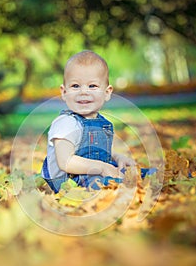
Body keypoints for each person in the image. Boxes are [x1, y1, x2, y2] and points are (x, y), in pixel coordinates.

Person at [41, 50, 140, 193]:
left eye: (92, 86)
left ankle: (167, 177)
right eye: (75, 86)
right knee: (111, 184)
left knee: (135, 174)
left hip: (95, 172)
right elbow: (65, 162)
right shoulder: (66, 123)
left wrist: (117, 157)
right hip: (71, 182)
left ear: (107, 93)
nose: (83, 92)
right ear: (64, 92)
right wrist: (103, 167)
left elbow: (96, 149)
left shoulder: (101, 122)